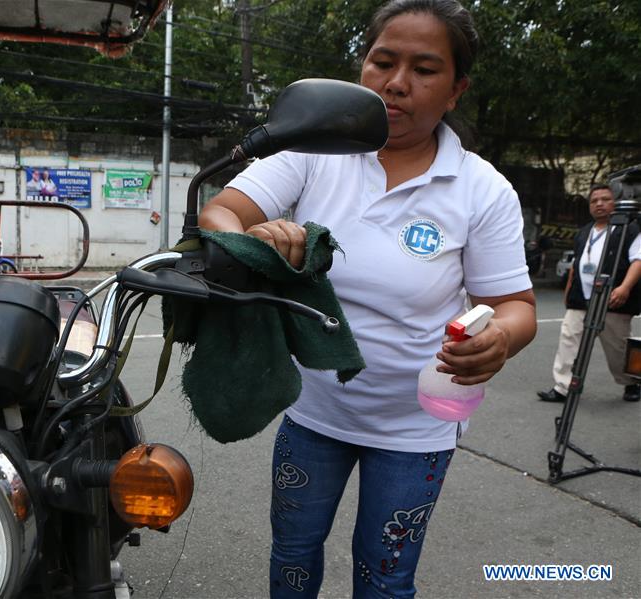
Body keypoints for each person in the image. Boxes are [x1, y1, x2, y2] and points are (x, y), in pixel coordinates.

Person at [199, 1, 537, 597]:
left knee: (386, 576)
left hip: (415, 429)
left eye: (425, 70)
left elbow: (514, 304)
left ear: (456, 90)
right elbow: (221, 211)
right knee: (294, 558)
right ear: (362, 67)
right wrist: (257, 238)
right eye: (383, 61)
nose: (397, 83)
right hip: (313, 412)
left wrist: (501, 336)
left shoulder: (483, 190)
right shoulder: (313, 149)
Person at [537, 183, 641, 403]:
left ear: (616, 202)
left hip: (612, 300)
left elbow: (638, 261)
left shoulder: (629, 230)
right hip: (581, 299)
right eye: (594, 201)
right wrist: (568, 292)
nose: (599, 204)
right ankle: (563, 387)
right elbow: (577, 264)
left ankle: (631, 383)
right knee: (568, 340)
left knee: (617, 347)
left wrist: (624, 288)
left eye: (605, 199)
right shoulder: (585, 232)